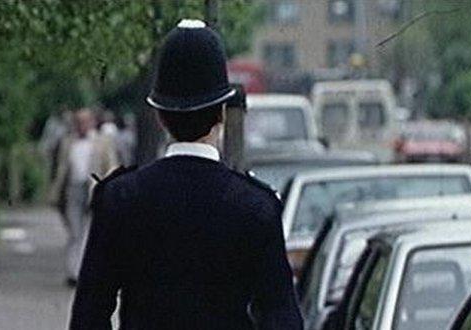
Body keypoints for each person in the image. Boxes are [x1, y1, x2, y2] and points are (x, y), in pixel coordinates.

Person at [70, 20, 303, 329]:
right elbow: (281, 318)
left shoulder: (120, 198)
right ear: (221, 113)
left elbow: (89, 316)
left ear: (160, 116)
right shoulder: (256, 206)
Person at [49, 108, 119, 286]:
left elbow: (111, 165)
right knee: (75, 231)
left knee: (90, 231)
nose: (81, 125)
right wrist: (56, 192)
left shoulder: (102, 142)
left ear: (92, 122)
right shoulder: (68, 142)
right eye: (78, 122)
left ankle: (86, 271)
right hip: (73, 190)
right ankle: (73, 272)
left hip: (94, 189)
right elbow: (60, 168)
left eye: (85, 121)